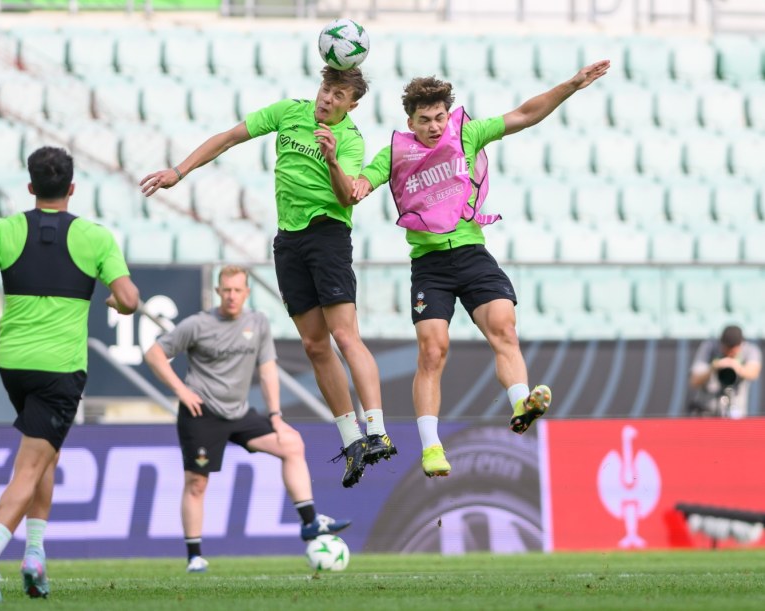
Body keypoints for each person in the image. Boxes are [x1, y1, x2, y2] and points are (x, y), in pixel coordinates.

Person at [347, 62, 610, 477]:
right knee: (433, 351)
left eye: (439, 117)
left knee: (504, 327)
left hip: (472, 253)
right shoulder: (395, 153)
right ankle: (432, 448)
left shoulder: (466, 133)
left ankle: (522, 403)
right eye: (424, 120)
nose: (434, 127)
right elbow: (362, 183)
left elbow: (524, 114)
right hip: (429, 264)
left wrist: (572, 85)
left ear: (448, 115)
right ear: (409, 121)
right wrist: (356, 184)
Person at [139, 66, 396, 489]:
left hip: (327, 235)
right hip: (289, 241)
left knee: (345, 337)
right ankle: (351, 440)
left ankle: (377, 430)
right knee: (315, 346)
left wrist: (332, 159)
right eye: (325, 89)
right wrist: (179, 172)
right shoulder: (287, 112)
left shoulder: (350, 139)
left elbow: (347, 194)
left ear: (352, 104)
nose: (327, 98)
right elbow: (228, 138)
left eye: (338, 95)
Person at [0, 146, 140, 602]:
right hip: (60, 369)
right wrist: (117, 301)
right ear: (72, 189)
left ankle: (35, 557)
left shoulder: (4, 228)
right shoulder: (94, 237)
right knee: (31, 465)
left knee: (46, 456)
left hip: (13, 364)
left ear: (31, 187)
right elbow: (130, 298)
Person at [144, 265, 351, 573]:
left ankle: (309, 523)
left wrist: (276, 417)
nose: (231, 296)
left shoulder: (258, 323)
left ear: (247, 293)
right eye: (226, 290)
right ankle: (194, 556)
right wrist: (181, 392)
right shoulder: (197, 324)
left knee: (291, 443)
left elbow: (267, 371)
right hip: (202, 413)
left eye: (237, 290)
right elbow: (154, 354)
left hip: (239, 413)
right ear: (218, 292)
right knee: (197, 484)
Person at [688, 324, 761, 418]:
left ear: (741, 344)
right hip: (706, 412)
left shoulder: (750, 350)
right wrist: (713, 368)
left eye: (733, 350)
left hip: (735, 412)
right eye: (727, 348)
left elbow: (753, 373)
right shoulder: (710, 347)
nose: (729, 353)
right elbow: (694, 381)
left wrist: (736, 367)